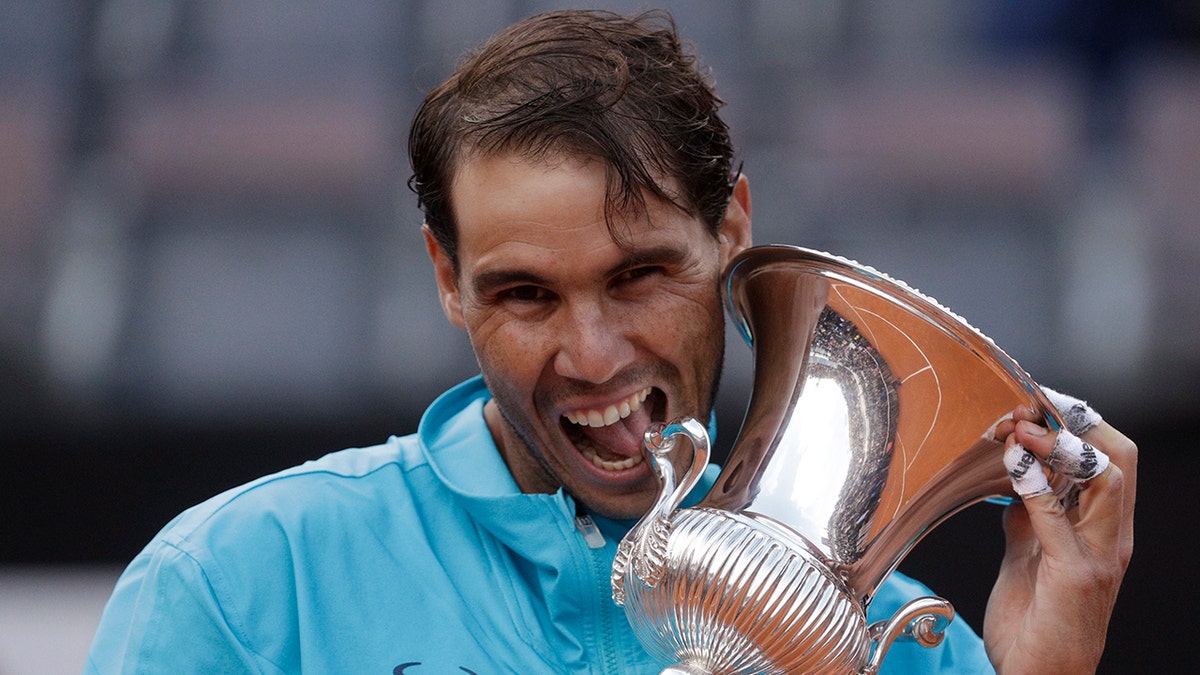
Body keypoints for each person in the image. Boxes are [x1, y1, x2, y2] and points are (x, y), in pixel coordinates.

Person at [85, 9, 1136, 674]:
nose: (592, 357)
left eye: (638, 277)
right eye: (526, 295)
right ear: (447, 279)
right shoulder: (239, 587)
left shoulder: (901, 644)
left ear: (732, 231)